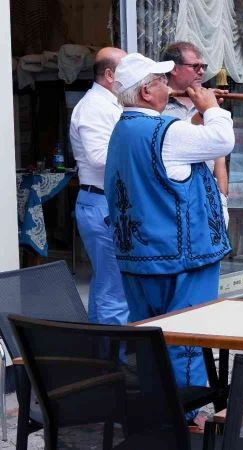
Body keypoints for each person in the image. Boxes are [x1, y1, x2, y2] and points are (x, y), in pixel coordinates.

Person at [104, 53, 233, 418]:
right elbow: (222, 140)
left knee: (149, 345)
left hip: (138, 259)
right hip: (181, 259)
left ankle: (157, 418)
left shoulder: (121, 131)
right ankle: (185, 421)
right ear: (146, 91)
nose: (168, 85)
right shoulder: (165, 131)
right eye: (161, 81)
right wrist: (212, 109)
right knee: (185, 344)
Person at [70, 47, 128, 327]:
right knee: (114, 288)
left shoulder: (111, 103)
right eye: (125, 70)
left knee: (109, 284)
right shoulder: (94, 106)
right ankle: (113, 362)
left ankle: (102, 356)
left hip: (106, 202)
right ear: (109, 75)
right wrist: (139, 150)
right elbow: (98, 157)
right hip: (101, 202)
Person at [162, 41, 230, 227]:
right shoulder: (158, 105)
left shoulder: (209, 104)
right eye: (195, 66)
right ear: (174, 69)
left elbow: (219, 158)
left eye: (203, 66)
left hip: (206, 198)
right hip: (169, 200)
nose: (201, 71)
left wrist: (222, 199)